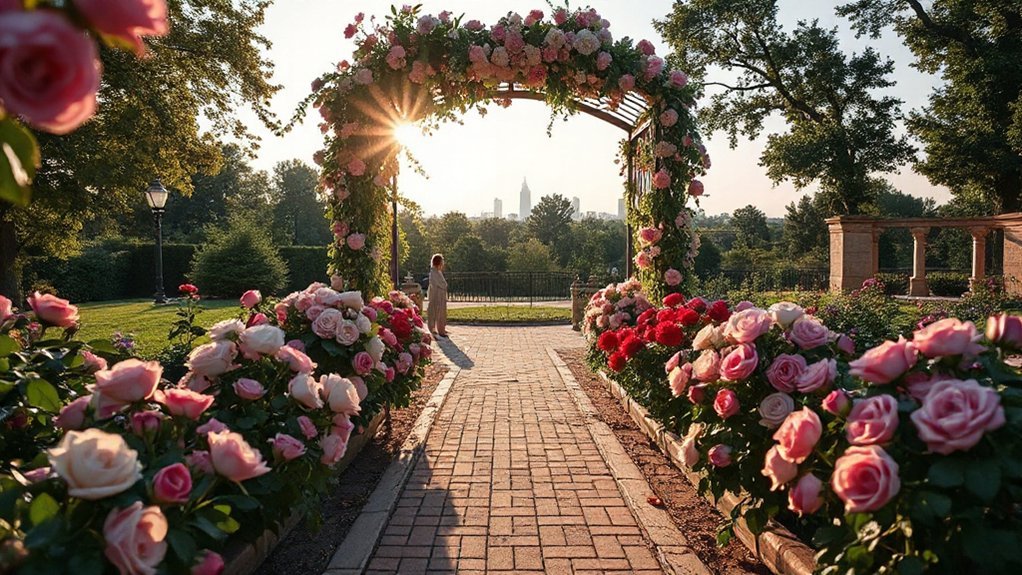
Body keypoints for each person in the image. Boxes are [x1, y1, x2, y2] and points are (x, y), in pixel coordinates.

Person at [427, 253, 448, 337]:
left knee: (440, 312)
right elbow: (440, 283)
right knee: (435, 311)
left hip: (440, 295)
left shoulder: (437, 272)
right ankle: (434, 328)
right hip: (436, 295)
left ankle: (441, 328)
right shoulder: (433, 272)